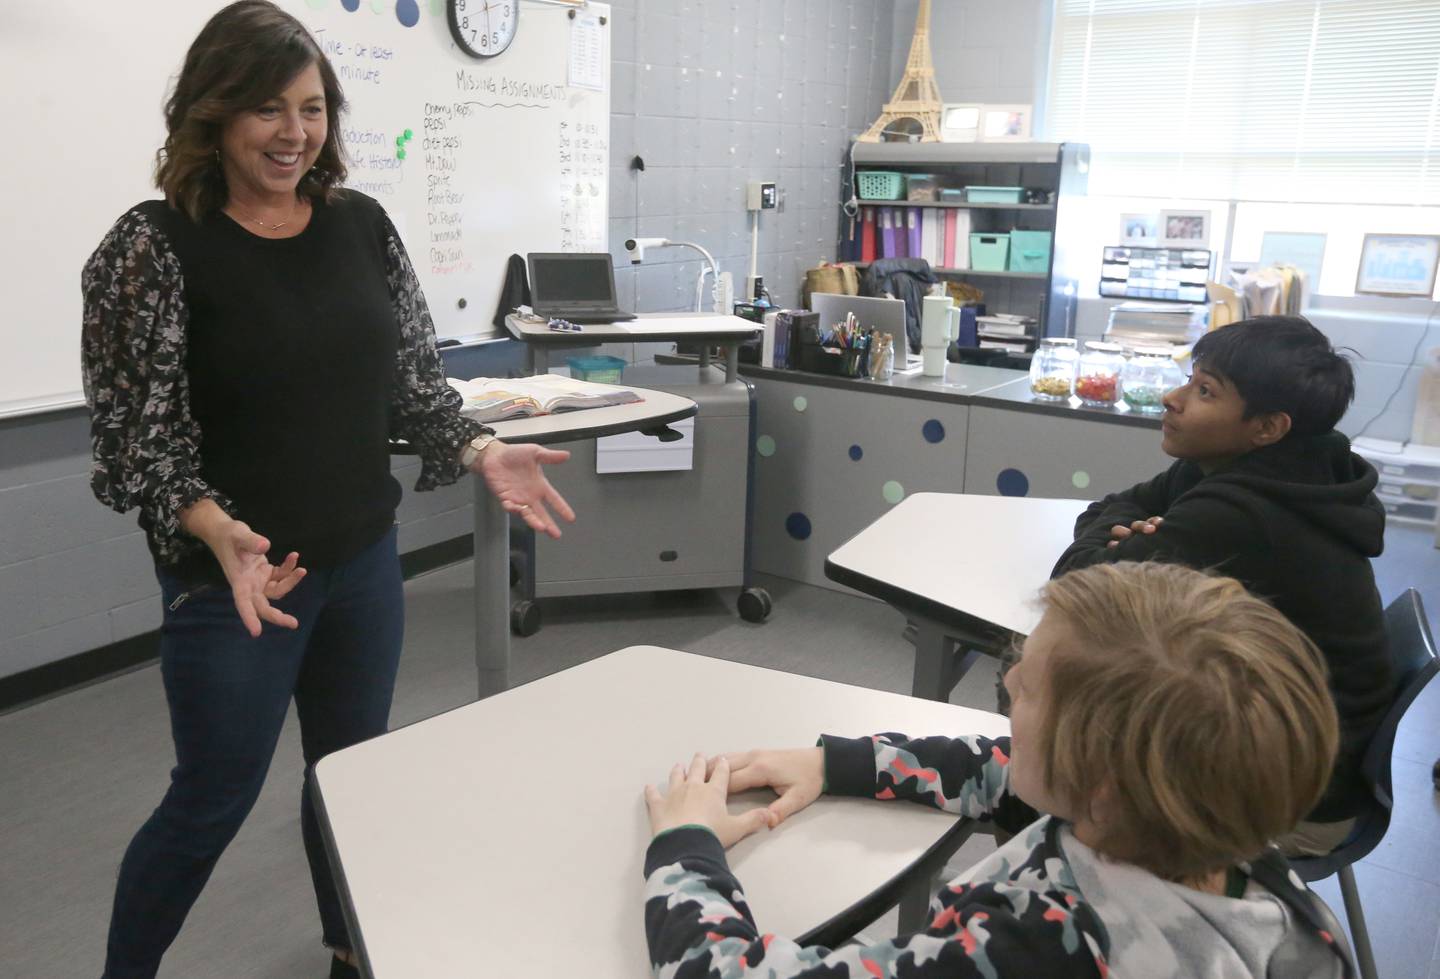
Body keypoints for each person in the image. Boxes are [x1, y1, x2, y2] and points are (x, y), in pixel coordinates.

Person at [80, 4, 573, 976]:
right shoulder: (151, 248)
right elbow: (135, 438)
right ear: (212, 116)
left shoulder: (360, 226)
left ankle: (354, 949)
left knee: (351, 777)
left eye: (311, 108)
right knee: (212, 797)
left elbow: (412, 385)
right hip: (237, 586)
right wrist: (217, 528)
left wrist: (477, 450)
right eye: (267, 108)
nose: (294, 132)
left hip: (360, 567)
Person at [642, 563, 1354, 978]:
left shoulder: (1036, 949)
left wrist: (686, 847)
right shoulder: (1214, 827)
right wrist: (840, 762)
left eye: (1027, 686)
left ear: (1098, 790)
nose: (1008, 685)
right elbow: (1009, 769)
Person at [1049, 315, 1390, 856]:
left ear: (1268, 427)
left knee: (1060, 762)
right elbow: (1111, 506)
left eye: (1204, 391)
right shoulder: (1255, 463)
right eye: (1191, 379)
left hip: (1293, 796)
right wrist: (1118, 534)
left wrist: (1115, 542)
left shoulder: (1246, 509)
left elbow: (1076, 585)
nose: (1172, 397)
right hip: (1294, 751)